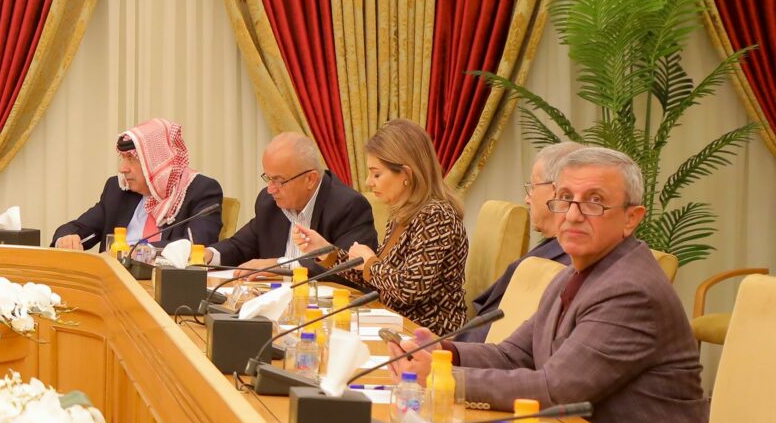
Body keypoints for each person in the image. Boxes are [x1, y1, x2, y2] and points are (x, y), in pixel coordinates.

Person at [390, 146, 708, 423]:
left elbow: (555, 390)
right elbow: (512, 355)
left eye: (594, 202)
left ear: (631, 218)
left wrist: (443, 377)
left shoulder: (630, 290)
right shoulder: (573, 272)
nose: (572, 215)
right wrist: (443, 352)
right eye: (565, 198)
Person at [299, 119, 468, 335]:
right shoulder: (403, 213)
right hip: (396, 325)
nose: (368, 182)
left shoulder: (436, 216)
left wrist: (370, 262)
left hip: (428, 334)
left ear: (406, 174)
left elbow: (409, 289)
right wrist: (328, 253)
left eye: (376, 174)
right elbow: (381, 280)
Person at [458, 140, 582, 341]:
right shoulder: (554, 246)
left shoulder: (569, 261)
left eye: (532, 187)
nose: (527, 198)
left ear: (557, 191)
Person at [206, 132, 376, 269]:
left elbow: (349, 267)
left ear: (310, 179)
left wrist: (279, 265)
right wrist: (209, 255)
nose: (270, 189)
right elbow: (241, 245)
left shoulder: (348, 206)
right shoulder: (269, 202)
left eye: (278, 180)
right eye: (268, 178)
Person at [52, 120, 222, 252]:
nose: (122, 168)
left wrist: (136, 252)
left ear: (156, 160)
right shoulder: (118, 189)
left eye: (132, 159)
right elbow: (78, 227)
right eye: (123, 158)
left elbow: (196, 244)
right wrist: (66, 238)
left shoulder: (200, 190)